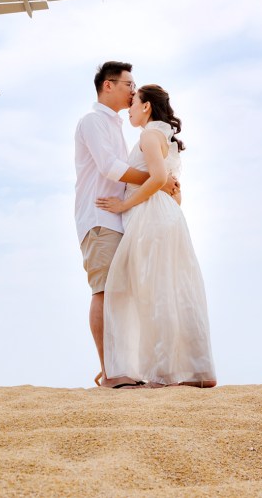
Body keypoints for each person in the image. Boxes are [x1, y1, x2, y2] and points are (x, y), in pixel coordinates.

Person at [97, 84, 216, 388]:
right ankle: (198, 371)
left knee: (155, 293)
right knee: (177, 290)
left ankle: (163, 373)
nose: (130, 108)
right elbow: (173, 193)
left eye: (134, 103)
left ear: (147, 106)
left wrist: (124, 203)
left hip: (151, 219)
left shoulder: (149, 135)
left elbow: (160, 179)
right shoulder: (167, 139)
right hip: (169, 217)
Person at [75, 62, 179, 388]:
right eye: (128, 84)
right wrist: (158, 181)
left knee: (122, 294)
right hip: (100, 217)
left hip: (121, 218)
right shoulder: (92, 121)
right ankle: (110, 372)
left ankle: (119, 367)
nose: (133, 90)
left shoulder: (117, 126)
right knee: (104, 290)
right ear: (109, 85)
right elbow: (109, 167)